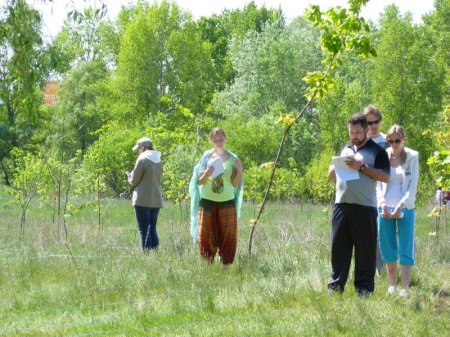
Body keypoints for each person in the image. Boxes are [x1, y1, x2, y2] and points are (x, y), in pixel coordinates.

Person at [328, 113, 390, 296]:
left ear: (366, 130)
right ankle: (335, 287)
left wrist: (361, 168)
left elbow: (385, 177)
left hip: (365, 207)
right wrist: (332, 168)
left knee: (365, 251)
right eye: (351, 132)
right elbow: (331, 176)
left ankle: (364, 290)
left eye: (357, 132)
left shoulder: (377, 151)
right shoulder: (345, 148)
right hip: (342, 204)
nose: (353, 135)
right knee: (339, 249)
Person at [189, 128, 243, 265]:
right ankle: (208, 266)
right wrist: (207, 173)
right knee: (206, 236)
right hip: (207, 203)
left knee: (228, 237)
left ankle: (226, 267)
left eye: (221, 139)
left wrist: (240, 170)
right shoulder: (206, 157)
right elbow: (199, 181)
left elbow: (235, 183)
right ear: (211, 140)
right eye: (216, 140)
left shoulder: (233, 159)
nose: (219, 142)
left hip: (227, 203)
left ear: (225, 139)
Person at [376, 125, 419, 298]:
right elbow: (377, 184)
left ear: (403, 139)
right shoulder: (382, 156)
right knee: (387, 246)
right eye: (390, 141)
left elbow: (412, 186)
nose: (394, 144)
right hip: (385, 206)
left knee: (406, 246)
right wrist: (382, 203)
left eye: (397, 140)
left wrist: (401, 205)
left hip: (405, 207)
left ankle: (405, 288)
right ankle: (392, 285)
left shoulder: (413, 156)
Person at [364, 105, 389, 275]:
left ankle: (389, 268)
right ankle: (377, 268)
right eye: (369, 122)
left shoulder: (389, 140)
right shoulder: (361, 141)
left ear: (380, 122)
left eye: (376, 122)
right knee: (371, 233)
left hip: (386, 191)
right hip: (366, 192)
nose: (373, 125)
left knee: (385, 232)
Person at [126, 137, 163, 250]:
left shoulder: (142, 159)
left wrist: (129, 177)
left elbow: (134, 181)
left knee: (144, 229)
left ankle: (147, 256)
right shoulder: (159, 159)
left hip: (142, 199)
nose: (138, 150)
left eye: (138, 148)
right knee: (152, 229)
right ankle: (155, 253)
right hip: (156, 199)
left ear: (143, 148)